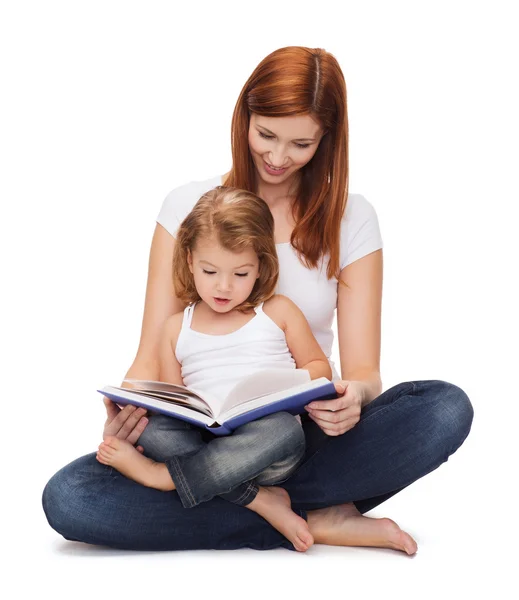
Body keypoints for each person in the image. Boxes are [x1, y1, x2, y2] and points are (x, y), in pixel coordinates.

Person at [42, 45, 473, 554]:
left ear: (328, 141)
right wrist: (127, 412)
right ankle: (303, 511)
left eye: (300, 144)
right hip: (196, 435)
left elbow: (363, 373)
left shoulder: (352, 220)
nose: (276, 157)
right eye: (266, 133)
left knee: (443, 408)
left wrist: (351, 398)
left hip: (297, 433)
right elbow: (152, 358)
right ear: (243, 116)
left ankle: (248, 502)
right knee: (70, 497)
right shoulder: (187, 207)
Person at [96, 186, 335, 552]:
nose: (223, 286)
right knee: (154, 429)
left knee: (285, 430)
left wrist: (289, 387)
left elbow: (320, 367)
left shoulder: (278, 312)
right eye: (210, 271)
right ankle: (257, 499)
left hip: (266, 447)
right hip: (205, 444)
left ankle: (162, 478)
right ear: (189, 260)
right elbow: (176, 403)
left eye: (241, 274)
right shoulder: (176, 327)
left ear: (261, 267)